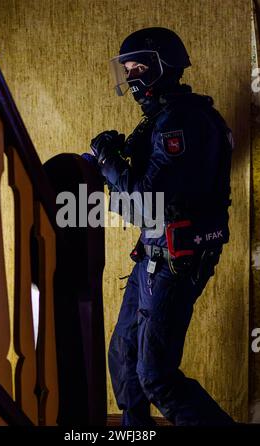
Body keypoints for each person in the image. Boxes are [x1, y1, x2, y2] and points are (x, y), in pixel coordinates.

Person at [88, 27, 235, 426]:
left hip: (176, 261)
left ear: (164, 66)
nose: (133, 76)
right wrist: (109, 159)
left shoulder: (182, 122)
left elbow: (145, 202)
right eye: (128, 69)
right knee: (123, 354)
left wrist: (108, 163)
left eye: (140, 66)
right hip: (153, 256)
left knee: (156, 376)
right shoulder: (162, 118)